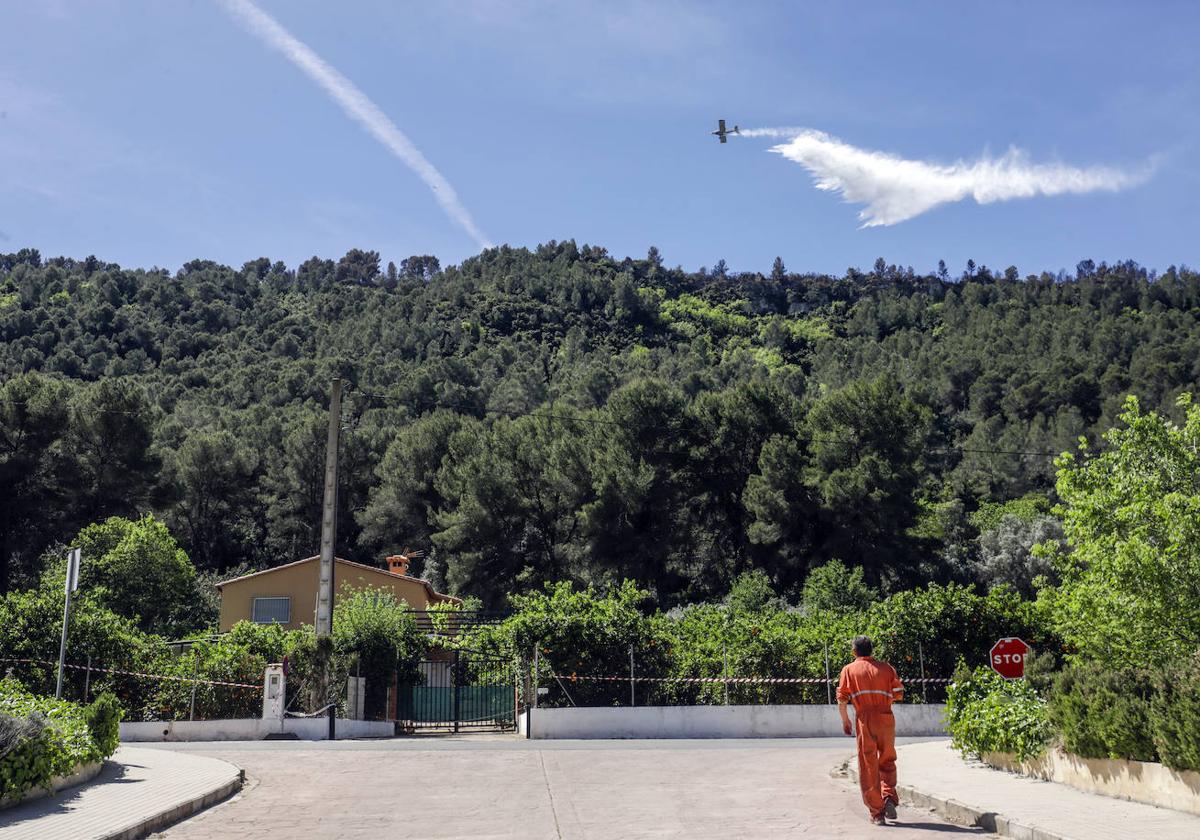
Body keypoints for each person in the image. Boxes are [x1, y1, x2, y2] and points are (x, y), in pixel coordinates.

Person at [837, 635, 904, 826]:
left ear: (854, 652)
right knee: (888, 758)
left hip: (864, 719)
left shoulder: (849, 670)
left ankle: (877, 813)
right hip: (886, 718)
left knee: (868, 764)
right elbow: (898, 694)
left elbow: (842, 699)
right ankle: (889, 796)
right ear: (872, 650)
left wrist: (846, 720)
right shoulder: (886, 668)